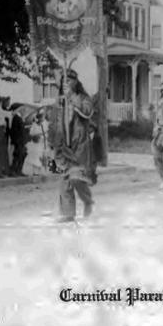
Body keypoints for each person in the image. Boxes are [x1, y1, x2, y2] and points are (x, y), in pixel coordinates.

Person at [54, 69, 96, 222]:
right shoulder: (60, 101)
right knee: (65, 179)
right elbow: (56, 122)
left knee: (77, 178)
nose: (66, 84)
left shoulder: (84, 98)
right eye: (64, 81)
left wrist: (71, 97)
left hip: (80, 144)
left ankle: (88, 201)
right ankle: (68, 213)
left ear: (76, 82)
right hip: (64, 145)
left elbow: (87, 112)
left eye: (69, 81)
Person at [9, 104, 28, 176]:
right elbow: (15, 130)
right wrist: (17, 140)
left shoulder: (20, 117)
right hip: (18, 141)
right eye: (22, 109)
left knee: (22, 155)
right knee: (17, 155)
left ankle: (19, 170)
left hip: (21, 140)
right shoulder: (16, 118)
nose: (24, 110)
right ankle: (14, 170)